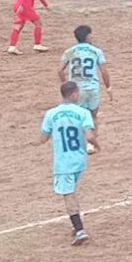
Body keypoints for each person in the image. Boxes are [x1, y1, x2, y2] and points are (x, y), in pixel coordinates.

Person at [40, 82, 100, 246]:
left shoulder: (51, 114)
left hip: (63, 162)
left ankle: (79, 229)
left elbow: (43, 138)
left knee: (68, 194)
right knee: (71, 190)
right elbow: (89, 136)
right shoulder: (83, 112)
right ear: (73, 94)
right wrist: (97, 145)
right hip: (80, 160)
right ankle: (77, 225)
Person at [58, 25, 112, 150]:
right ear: (87, 36)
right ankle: (90, 144)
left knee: (77, 116)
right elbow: (104, 72)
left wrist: (66, 84)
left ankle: (78, 141)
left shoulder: (70, 51)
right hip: (92, 88)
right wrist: (108, 87)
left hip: (76, 89)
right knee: (93, 116)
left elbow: (60, 70)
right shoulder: (96, 51)